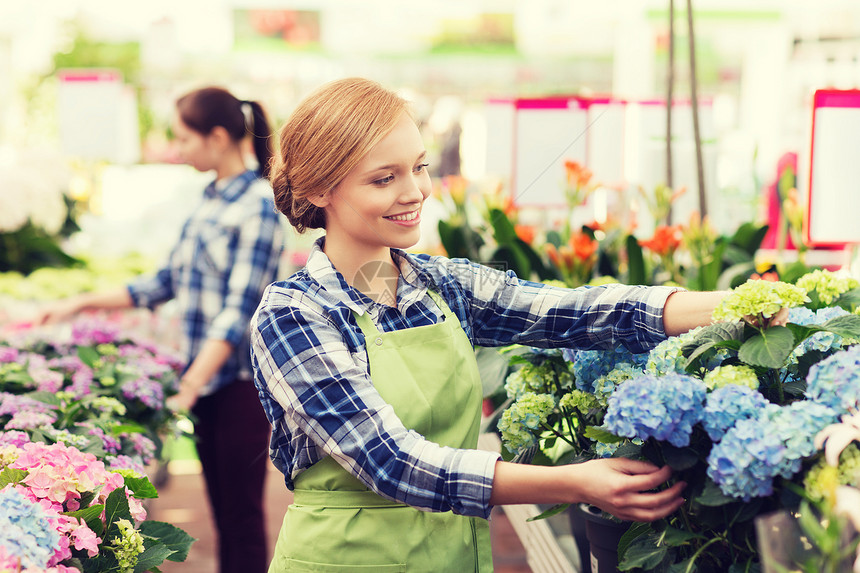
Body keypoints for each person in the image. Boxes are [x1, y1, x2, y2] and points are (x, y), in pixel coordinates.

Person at [250, 77, 787, 572]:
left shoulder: (441, 287)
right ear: (320, 190)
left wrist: (736, 304)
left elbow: (574, 312)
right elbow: (392, 462)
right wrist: (571, 482)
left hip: (449, 553)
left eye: (419, 167)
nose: (414, 192)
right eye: (383, 178)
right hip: (346, 558)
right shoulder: (296, 315)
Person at [33, 86, 284, 573]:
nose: (177, 149)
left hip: (235, 387)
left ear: (216, 137)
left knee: (242, 521)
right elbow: (163, 282)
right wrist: (81, 302)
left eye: (183, 138)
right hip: (204, 382)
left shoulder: (257, 204)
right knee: (224, 515)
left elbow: (239, 311)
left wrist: (188, 387)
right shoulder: (210, 196)